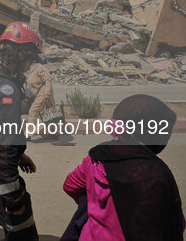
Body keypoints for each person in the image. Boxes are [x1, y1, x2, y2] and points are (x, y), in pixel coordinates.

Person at [63, 94, 184, 241]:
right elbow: (170, 221)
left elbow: (70, 185)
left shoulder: (95, 158)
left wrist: (95, 203)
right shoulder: (154, 174)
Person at [0, 21, 42, 241]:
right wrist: (14, 201)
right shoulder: (5, 88)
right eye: (31, 55)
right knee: (23, 233)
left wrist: (18, 152)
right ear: (21, 52)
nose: (31, 62)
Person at [25, 56, 55, 139]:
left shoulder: (40, 68)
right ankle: (53, 133)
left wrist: (47, 93)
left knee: (33, 112)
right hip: (38, 95)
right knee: (46, 114)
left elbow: (48, 80)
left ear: (30, 60)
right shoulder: (32, 70)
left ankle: (28, 134)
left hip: (43, 94)